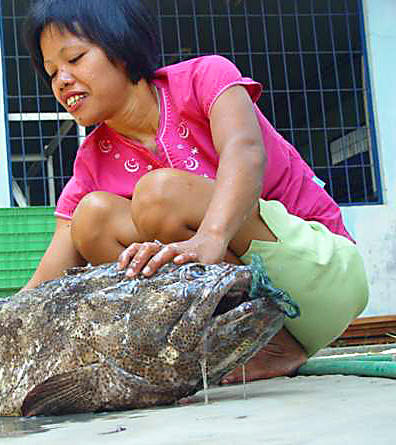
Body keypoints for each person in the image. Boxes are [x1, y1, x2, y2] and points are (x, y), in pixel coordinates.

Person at [20, 0, 369, 384]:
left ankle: (273, 345)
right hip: (244, 323)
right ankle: (231, 344)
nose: (62, 80)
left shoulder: (206, 77)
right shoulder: (92, 160)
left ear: (121, 46)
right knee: (92, 217)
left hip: (321, 274)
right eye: (52, 73)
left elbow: (244, 151)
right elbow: (48, 275)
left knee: (160, 194)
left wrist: (211, 237)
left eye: (76, 58)